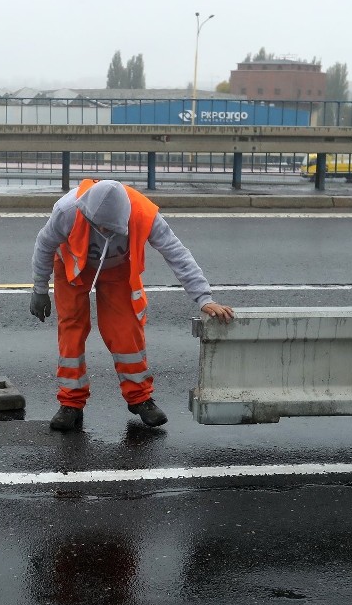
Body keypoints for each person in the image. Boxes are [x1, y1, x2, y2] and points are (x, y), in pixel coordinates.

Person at [30, 178, 234, 431]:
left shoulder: (144, 214)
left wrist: (204, 298)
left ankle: (140, 398)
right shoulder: (68, 210)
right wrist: (40, 288)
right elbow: (44, 244)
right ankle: (71, 403)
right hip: (73, 266)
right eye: (99, 227)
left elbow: (176, 253)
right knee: (71, 328)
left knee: (126, 330)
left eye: (110, 229)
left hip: (118, 271)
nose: (104, 233)